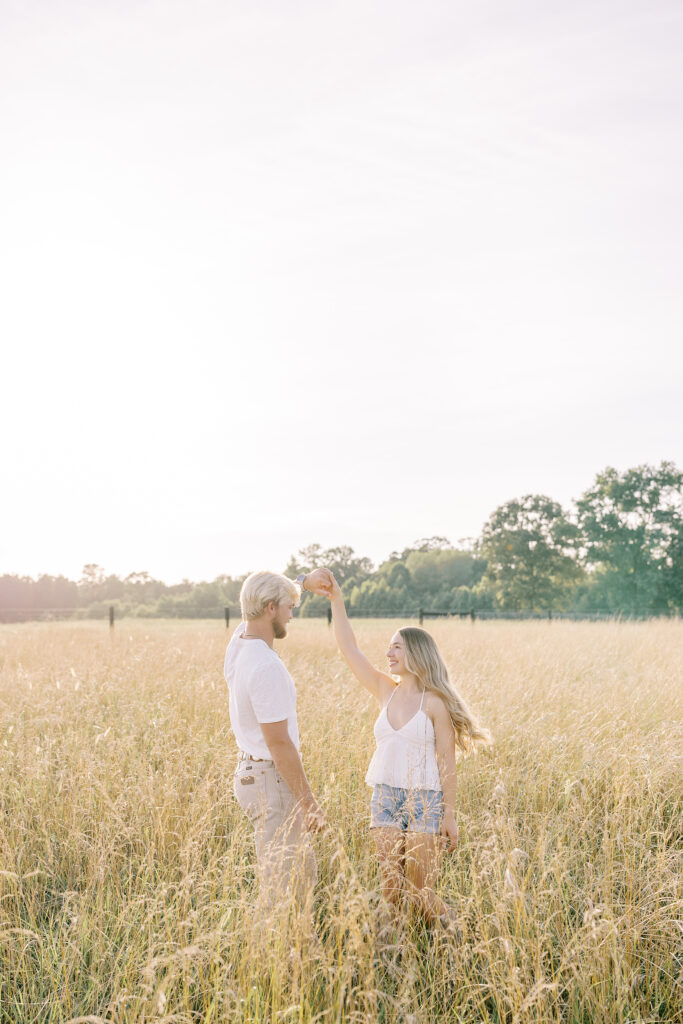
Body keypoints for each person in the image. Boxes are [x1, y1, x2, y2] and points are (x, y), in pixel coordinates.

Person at [323, 572, 490, 929]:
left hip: (424, 800)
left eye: (396, 647)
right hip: (384, 795)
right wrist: (337, 600)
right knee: (390, 891)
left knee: (421, 892)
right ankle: (394, 960)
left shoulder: (435, 703)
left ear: (416, 652)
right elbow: (349, 649)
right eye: (389, 647)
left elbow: (447, 762)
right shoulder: (386, 690)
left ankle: (462, 941)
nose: (388, 653)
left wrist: (449, 814)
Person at [225, 568, 331, 910]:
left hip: (251, 774)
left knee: (294, 875)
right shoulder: (266, 666)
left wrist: (299, 584)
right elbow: (280, 744)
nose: (291, 613)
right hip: (272, 780)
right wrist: (308, 802)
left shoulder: (240, 644)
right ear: (270, 608)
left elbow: (254, 606)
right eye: (288, 606)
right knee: (287, 892)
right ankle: (285, 959)